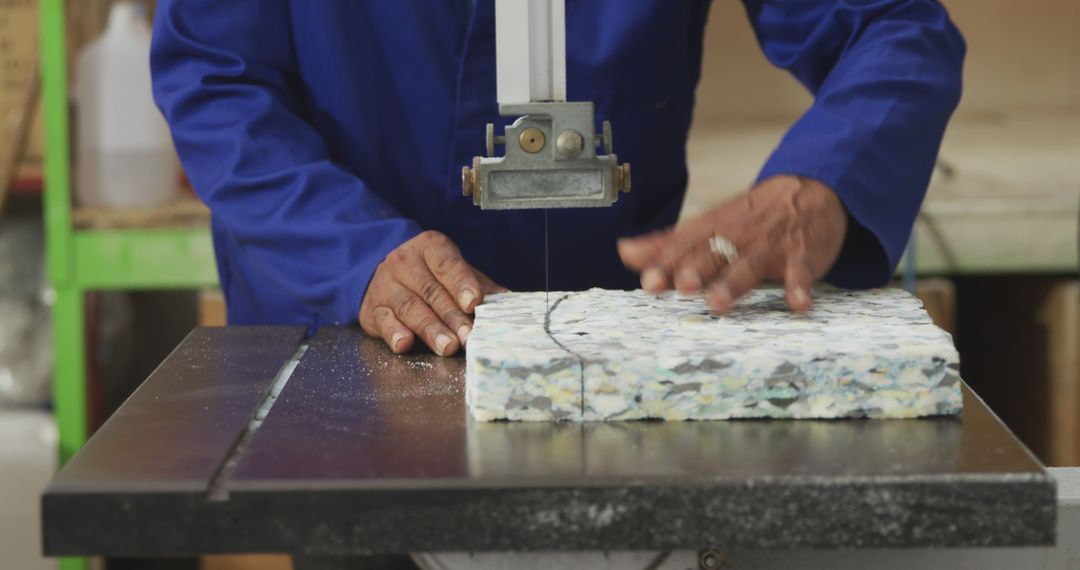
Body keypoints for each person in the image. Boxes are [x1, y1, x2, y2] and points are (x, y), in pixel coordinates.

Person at [151, 1, 964, 357]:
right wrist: (357, 256)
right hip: (343, 329)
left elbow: (895, 26)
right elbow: (215, 74)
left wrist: (819, 181)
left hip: (611, 345)